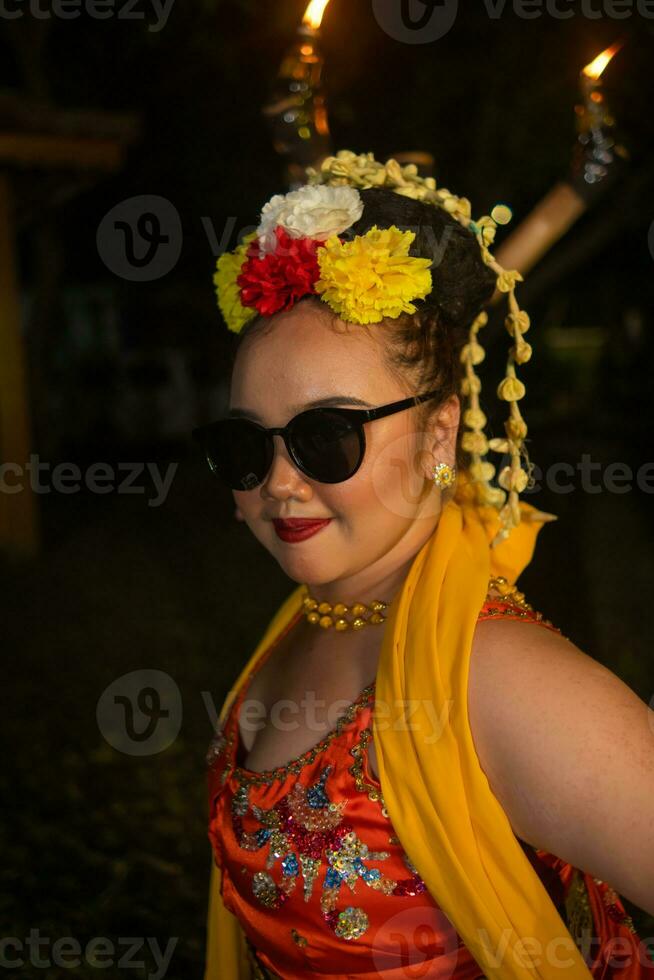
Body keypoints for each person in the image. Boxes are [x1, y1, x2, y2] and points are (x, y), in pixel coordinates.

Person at [195, 150, 654, 979]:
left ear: (439, 436)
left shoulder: (503, 679)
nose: (279, 483)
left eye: (325, 436)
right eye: (243, 447)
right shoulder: (312, 615)